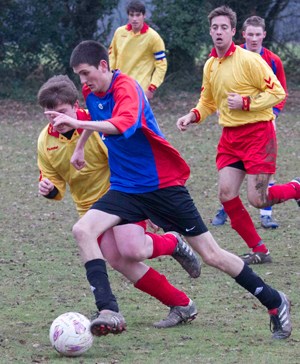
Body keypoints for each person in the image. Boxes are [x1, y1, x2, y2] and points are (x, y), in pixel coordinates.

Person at [47, 39, 292, 341]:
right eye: (78, 75)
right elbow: (95, 118)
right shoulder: (91, 91)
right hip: (125, 188)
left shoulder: (128, 88)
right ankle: (108, 310)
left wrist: (74, 121)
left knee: (213, 255)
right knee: (83, 230)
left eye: (86, 73)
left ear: (102, 66)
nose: (83, 81)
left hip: (162, 186)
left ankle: (274, 300)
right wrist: (80, 147)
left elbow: (122, 123)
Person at [37, 75, 201, 331]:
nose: (56, 120)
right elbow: (55, 183)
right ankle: (181, 303)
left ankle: (170, 244)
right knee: (119, 260)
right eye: (50, 115)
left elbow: (125, 163)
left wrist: (143, 207)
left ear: (75, 105)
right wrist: (48, 188)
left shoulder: (96, 128)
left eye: (61, 112)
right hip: (91, 210)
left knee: (132, 250)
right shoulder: (44, 142)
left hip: (122, 196)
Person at [177, 5, 300, 267]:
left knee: (259, 199)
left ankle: (296, 188)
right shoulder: (210, 65)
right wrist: (192, 115)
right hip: (231, 139)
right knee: (226, 194)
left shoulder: (250, 60)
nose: (219, 32)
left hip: (258, 136)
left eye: (224, 27)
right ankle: (260, 250)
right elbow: (208, 101)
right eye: (214, 27)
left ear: (234, 32)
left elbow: (278, 93)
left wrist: (246, 102)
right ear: (210, 32)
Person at [212, 15, 288, 231]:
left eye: (258, 34)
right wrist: (218, 105)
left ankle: (266, 215)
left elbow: (280, 92)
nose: (254, 38)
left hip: (262, 124)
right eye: (250, 34)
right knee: (231, 171)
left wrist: (272, 115)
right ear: (243, 35)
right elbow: (215, 83)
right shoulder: (228, 54)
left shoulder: (273, 60)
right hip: (234, 126)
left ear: (264, 35)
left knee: (263, 173)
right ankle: (225, 207)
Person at [109, 1, 167, 100]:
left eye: (138, 15)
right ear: (128, 16)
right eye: (132, 15)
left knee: (137, 116)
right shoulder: (119, 32)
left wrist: (152, 88)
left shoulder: (153, 37)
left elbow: (161, 65)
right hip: (118, 86)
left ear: (144, 15)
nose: (134, 19)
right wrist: (111, 79)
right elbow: (112, 55)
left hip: (139, 88)